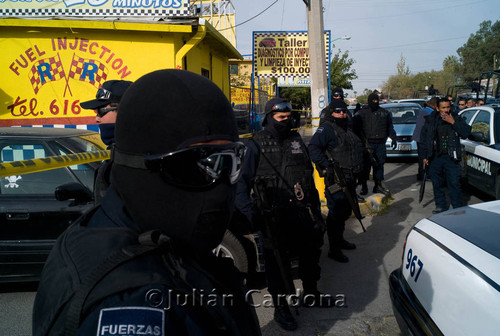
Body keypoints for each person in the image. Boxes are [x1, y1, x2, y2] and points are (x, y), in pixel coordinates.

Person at [33, 69, 261, 336]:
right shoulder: (132, 302)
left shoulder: (155, 235)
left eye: (232, 160)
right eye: (195, 164)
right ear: (141, 165)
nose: (219, 184)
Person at [235, 97, 332, 331]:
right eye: (280, 118)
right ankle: (281, 308)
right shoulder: (254, 146)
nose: (286, 122)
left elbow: (307, 176)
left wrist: (315, 210)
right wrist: (251, 214)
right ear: (269, 118)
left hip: (300, 211)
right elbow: (239, 185)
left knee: (310, 254)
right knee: (277, 265)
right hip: (272, 217)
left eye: (288, 118)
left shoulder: (296, 140)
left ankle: (311, 293)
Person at [308, 99, 364, 263]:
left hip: (350, 177)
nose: (341, 114)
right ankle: (334, 249)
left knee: (346, 211)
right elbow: (313, 148)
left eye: (344, 111)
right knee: (336, 213)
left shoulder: (348, 126)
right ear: (331, 112)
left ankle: (340, 240)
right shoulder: (326, 128)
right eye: (338, 111)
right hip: (336, 179)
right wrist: (327, 166)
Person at [80, 79, 133, 203]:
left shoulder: (132, 158)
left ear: (124, 113)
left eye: (100, 111)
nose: (96, 119)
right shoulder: (117, 153)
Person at [421, 98, 471, 214]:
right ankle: (440, 206)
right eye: (443, 108)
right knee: (437, 183)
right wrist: (424, 156)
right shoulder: (431, 120)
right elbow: (424, 139)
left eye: (448, 107)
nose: (446, 110)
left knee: (454, 182)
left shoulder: (456, 117)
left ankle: (457, 206)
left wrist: (453, 122)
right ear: (437, 108)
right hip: (435, 157)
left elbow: (466, 133)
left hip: (451, 156)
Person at [353, 92, 397, 195]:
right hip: (367, 144)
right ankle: (364, 186)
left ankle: (378, 186)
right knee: (365, 167)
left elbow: (390, 127)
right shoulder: (362, 113)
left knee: (379, 165)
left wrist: (394, 138)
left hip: (380, 144)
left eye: (376, 101)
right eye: (373, 101)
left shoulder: (385, 113)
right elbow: (356, 129)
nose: (375, 103)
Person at [412, 97, 437, 181]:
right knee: (424, 157)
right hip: (423, 138)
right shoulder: (430, 112)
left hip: (419, 137)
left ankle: (421, 174)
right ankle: (424, 175)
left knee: (421, 157)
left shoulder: (424, 110)